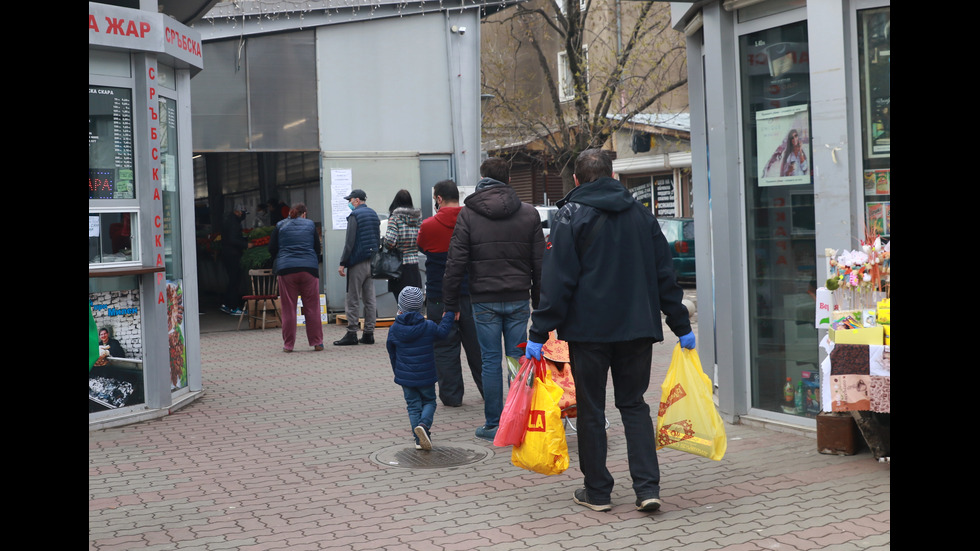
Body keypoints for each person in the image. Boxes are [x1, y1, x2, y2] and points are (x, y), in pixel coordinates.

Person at [524, 148, 695, 514]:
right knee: (634, 405)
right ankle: (648, 489)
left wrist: (538, 332)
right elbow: (665, 274)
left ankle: (598, 491)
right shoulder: (641, 215)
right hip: (637, 331)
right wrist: (680, 324)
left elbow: (558, 281)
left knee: (591, 410)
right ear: (613, 176)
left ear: (576, 180)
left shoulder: (570, 215)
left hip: (589, 333)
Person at [442, 157, 544, 442]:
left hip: (483, 299)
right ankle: (520, 421)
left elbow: (455, 263)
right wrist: (541, 304)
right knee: (516, 359)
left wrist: (450, 305)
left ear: (483, 178)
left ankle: (494, 424)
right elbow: (540, 264)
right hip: (518, 298)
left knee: (489, 361)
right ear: (509, 180)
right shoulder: (529, 213)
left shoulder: (469, 214)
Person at [417, 179, 484, 407]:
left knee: (444, 349)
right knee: (479, 348)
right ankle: (490, 393)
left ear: (438, 199)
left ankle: (452, 397)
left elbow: (422, 247)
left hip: (439, 297)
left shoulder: (428, 225)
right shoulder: (473, 222)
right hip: (473, 295)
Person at [386, 286, 456, 450]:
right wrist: (449, 314)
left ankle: (418, 440)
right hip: (426, 376)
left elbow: (391, 353)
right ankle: (424, 426)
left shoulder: (394, 329)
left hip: (405, 377)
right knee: (429, 401)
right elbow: (444, 332)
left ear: (400, 307)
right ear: (420, 307)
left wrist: (398, 372)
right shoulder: (429, 326)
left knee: (413, 406)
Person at [269, 202, 324, 353]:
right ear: (304, 214)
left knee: (288, 309)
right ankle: (317, 342)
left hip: (286, 270)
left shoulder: (280, 226)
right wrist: (312, 260)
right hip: (309, 270)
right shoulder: (310, 225)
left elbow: (272, 248)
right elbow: (317, 248)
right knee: (312, 308)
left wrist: (281, 259)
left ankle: (288, 345)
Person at [335, 189, 381, 346]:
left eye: (350, 200)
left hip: (357, 262)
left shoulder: (354, 216)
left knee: (353, 297)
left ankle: (352, 333)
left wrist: (343, 263)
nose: (349, 203)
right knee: (369, 298)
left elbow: (350, 243)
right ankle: (369, 333)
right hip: (372, 262)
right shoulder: (374, 214)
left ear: (356, 200)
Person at [383, 189, 423, 299]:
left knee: (402, 304)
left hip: (398, 266)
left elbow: (390, 242)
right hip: (414, 266)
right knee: (412, 303)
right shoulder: (418, 219)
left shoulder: (394, 218)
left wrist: (385, 242)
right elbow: (422, 240)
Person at [219, 203, 254, 316]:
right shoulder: (233, 222)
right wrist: (245, 244)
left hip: (227, 253)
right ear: (238, 212)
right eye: (243, 213)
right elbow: (232, 239)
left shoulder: (230, 220)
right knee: (235, 280)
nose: (244, 215)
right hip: (232, 254)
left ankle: (227, 304)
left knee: (232, 280)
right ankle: (233, 307)